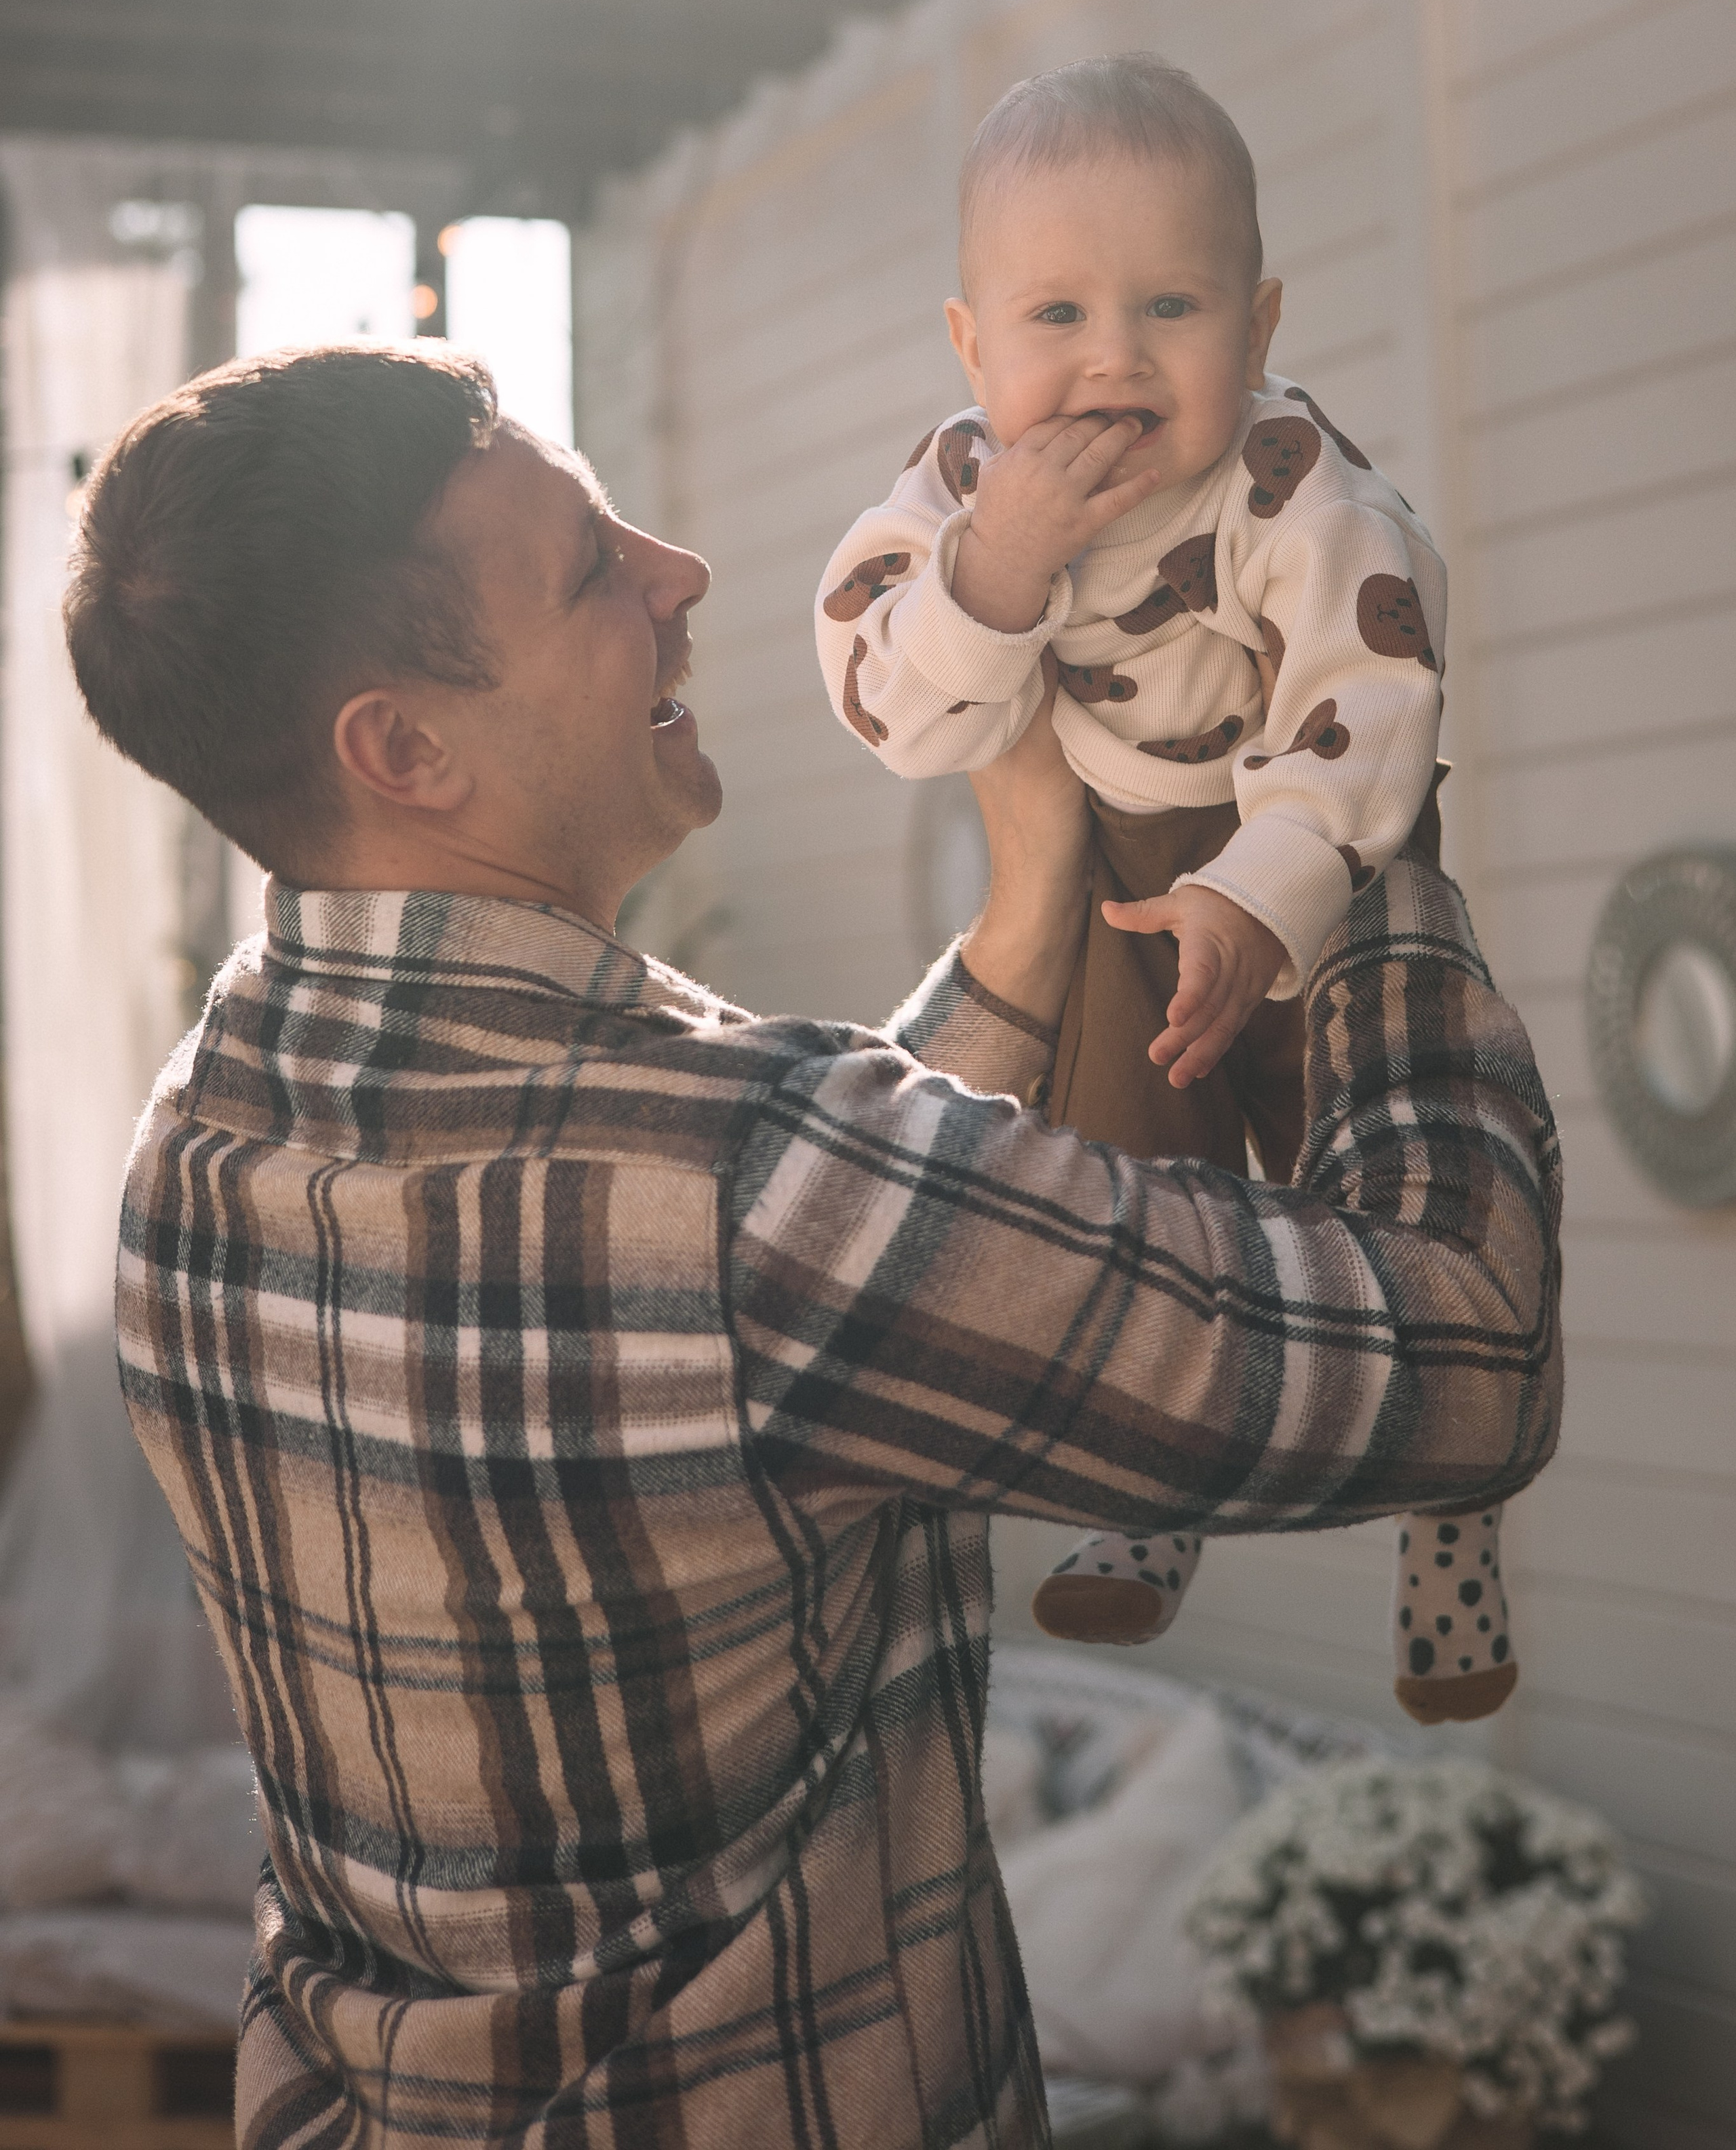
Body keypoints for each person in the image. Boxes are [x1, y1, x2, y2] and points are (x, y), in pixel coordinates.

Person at [66, 342, 1560, 2150]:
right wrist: (1359, 835)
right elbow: (1464, 1359)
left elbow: (746, 1289)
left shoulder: (196, 1147)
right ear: (406, 749)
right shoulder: (750, 1200)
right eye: (589, 570)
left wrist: (1028, 910)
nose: (679, 572)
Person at [815, 55, 1507, 1722]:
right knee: (1131, 1180)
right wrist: (994, 571)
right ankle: (1148, 1491)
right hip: (1124, 878)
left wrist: (1263, 893)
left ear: (1256, 330)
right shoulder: (957, 496)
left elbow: (1370, 697)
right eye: (1054, 314)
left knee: (1403, 1187)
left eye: (1170, 307)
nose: (1113, 357)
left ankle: (1455, 1514)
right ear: (971, 347)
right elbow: (894, 710)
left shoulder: (1291, 479)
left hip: (1326, 859)